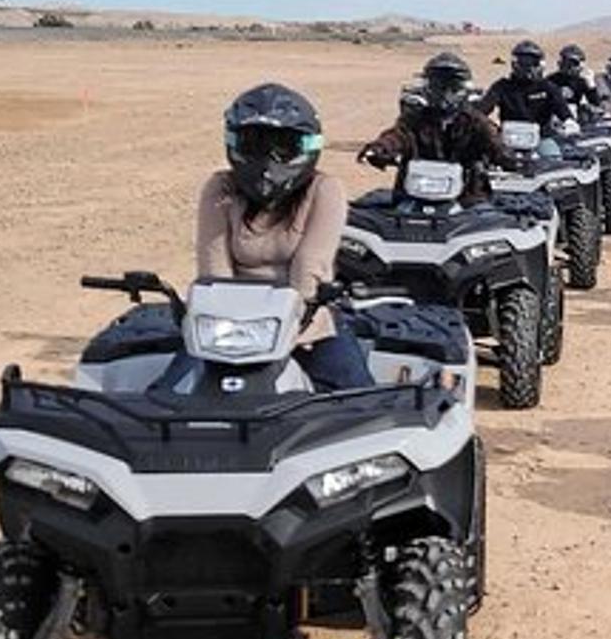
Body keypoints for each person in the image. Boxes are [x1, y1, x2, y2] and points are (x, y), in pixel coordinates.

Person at [195, 84, 368, 391]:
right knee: (167, 396)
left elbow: (310, 268)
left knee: (358, 400)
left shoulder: (325, 190)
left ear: (307, 147)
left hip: (307, 321)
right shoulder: (220, 188)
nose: (268, 160)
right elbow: (214, 269)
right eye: (254, 144)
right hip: (226, 326)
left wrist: (286, 332)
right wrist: (229, 328)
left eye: (284, 147)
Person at [358, 52, 515, 203]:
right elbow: (397, 136)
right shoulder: (414, 119)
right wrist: (379, 148)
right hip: (414, 196)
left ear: (464, 90)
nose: (445, 94)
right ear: (427, 87)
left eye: (453, 88)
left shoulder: (477, 122)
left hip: (467, 198)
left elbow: (494, 143)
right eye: (438, 87)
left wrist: (506, 157)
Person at [478, 39, 571, 132]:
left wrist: (570, 123)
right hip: (507, 140)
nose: (527, 66)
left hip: (542, 139)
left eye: (532, 62)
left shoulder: (548, 87)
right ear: (514, 63)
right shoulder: (502, 86)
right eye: (522, 61)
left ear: (540, 64)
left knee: (554, 147)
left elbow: (563, 111)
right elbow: (482, 110)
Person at [548, 44, 600, 120]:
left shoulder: (581, 81)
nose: (569, 67)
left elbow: (595, 104)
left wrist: (591, 85)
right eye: (566, 62)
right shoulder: (551, 80)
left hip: (573, 119)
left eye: (573, 64)